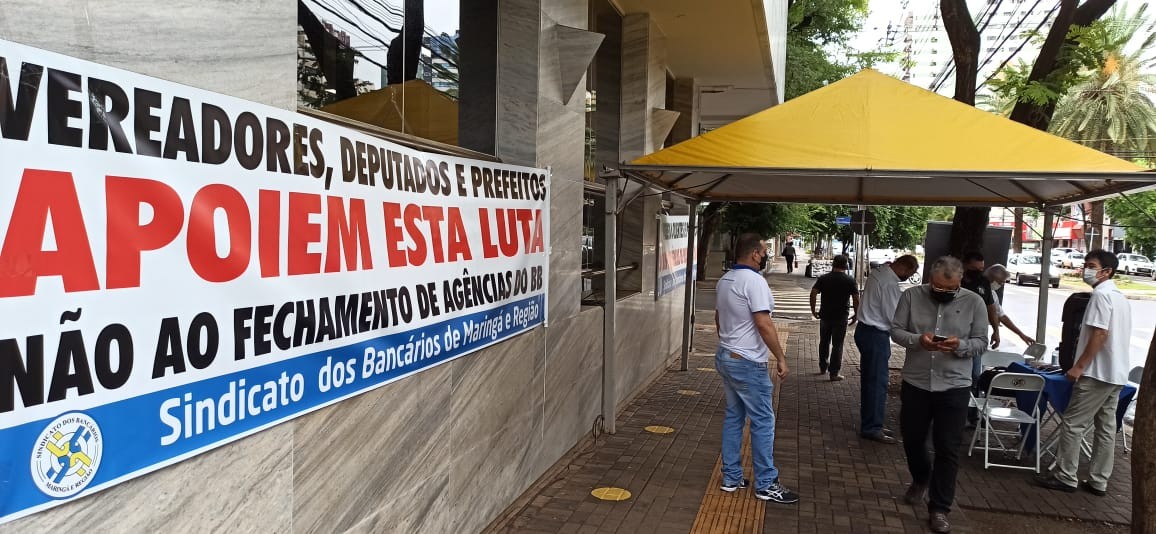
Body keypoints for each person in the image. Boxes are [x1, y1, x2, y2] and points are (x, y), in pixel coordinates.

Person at [891, 256, 989, 534]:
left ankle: (939, 508)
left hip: (955, 385)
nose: (944, 293)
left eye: (950, 289)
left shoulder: (974, 302)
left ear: (960, 283)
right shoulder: (911, 296)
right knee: (912, 438)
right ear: (930, 279)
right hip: (917, 381)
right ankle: (921, 477)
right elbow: (896, 330)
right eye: (938, 287)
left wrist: (961, 346)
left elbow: (981, 341)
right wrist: (917, 340)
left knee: (948, 447)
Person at [1034, 250, 1132, 497]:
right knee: (1106, 429)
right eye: (1085, 265)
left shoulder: (1101, 296)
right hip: (1116, 372)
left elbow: (1100, 334)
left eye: (1091, 265)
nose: (1085, 270)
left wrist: (1079, 366)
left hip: (1096, 372)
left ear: (1106, 271)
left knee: (1073, 424)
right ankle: (1099, 480)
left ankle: (1066, 475)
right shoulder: (1119, 297)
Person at [714, 233, 800, 504]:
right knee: (763, 421)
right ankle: (766, 484)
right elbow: (764, 324)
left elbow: (719, 317)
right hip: (747, 362)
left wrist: (729, 343)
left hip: (727, 356)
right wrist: (781, 358)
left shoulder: (725, 280)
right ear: (754, 254)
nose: (765, 255)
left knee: (734, 417)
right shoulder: (754, 282)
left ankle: (731, 478)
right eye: (763, 251)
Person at [854, 255, 920, 444]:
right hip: (875, 334)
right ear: (905, 268)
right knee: (877, 383)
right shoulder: (890, 284)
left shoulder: (879, 272)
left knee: (870, 381)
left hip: (865, 331)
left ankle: (870, 423)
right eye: (911, 273)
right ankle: (872, 427)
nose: (909, 277)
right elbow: (894, 317)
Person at [961, 251, 1001, 428]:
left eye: (981, 269)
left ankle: (971, 415)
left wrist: (996, 330)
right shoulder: (956, 280)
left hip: (976, 337)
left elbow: (991, 307)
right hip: (956, 334)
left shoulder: (984, 283)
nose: (979, 272)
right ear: (965, 265)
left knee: (974, 376)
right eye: (974, 268)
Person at [810, 254, 859, 381]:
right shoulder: (850, 280)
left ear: (833, 264)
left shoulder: (824, 278)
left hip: (825, 315)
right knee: (838, 344)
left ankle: (822, 366)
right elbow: (856, 299)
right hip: (841, 316)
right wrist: (856, 313)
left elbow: (813, 292)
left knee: (824, 341)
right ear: (846, 265)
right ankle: (834, 373)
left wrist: (813, 309)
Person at [983, 264, 1036, 346]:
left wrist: (1021, 335)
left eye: (1003, 282)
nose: (1001, 285)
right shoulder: (977, 291)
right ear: (992, 278)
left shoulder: (992, 294)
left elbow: (1002, 316)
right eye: (1000, 282)